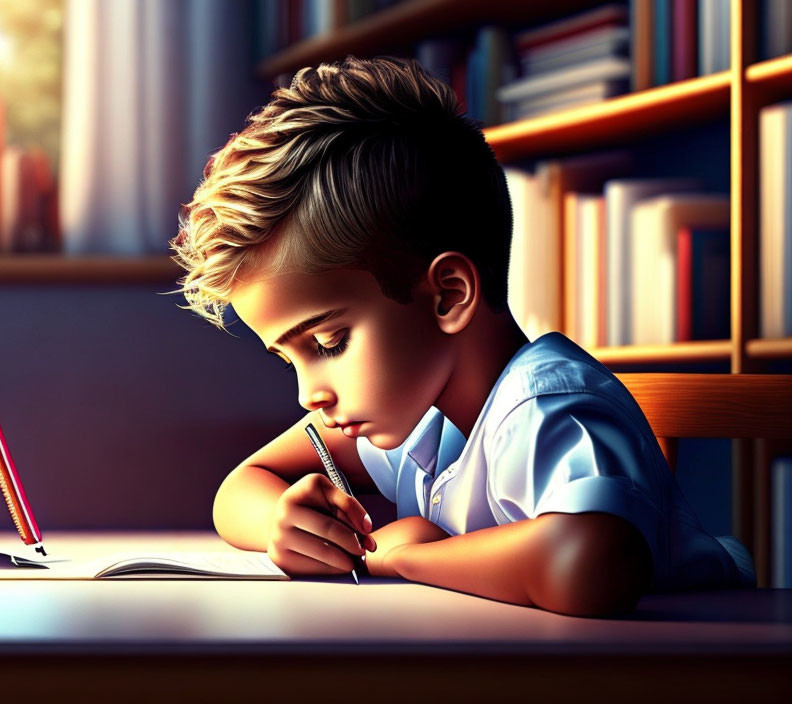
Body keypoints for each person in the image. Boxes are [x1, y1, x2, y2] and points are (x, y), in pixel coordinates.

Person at [170, 55, 754, 617]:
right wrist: (285, 523)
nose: (309, 394)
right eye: (290, 358)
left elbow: (592, 563)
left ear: (448, 295)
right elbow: (239, 489)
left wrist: (405, 558)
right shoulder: (417, 410)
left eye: (328, 345)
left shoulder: (544, 405)